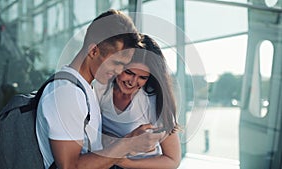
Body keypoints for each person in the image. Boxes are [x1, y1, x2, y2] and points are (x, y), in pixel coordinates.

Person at [36, 9, 165, 169]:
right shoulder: (67, 93)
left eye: (124, 65)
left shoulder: (84, 89)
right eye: (116, 63)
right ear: (93, 51)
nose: (119, 71)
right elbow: (69, 167)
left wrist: (128, 140)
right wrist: (128, 145)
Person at [94, 34, 182, 169]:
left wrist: (124, 162)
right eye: (128, 72)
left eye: (142, 77)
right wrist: (122, 143)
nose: (132, 82)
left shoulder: (154, 101)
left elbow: (172, 160)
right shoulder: (100, 89)